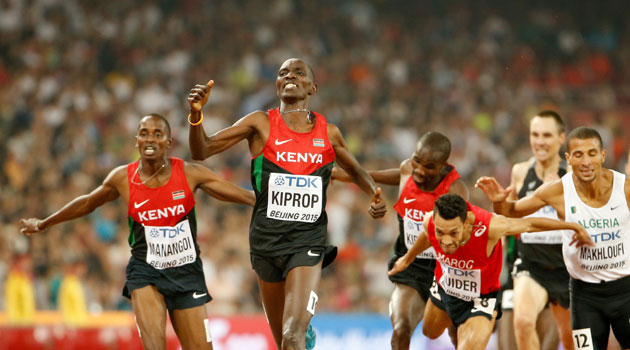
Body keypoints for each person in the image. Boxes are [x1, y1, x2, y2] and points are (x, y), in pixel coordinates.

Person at [186, 58, 387, 350]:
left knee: (292, 335)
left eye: (298, 72)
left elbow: (356, 170)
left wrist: (373, 193)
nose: (289, 76)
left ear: (312, 87)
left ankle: (301, 331)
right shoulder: (259, 123)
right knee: (285, 341)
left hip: (307, 242)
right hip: (265, 242)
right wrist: (196, 115)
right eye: (283, 73)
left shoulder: (328, 133)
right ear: (277, 85)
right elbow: (201, 150)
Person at [19, 114, 256, 350]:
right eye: (144, 134)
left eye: (157, 134)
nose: (150, 139)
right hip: (146, 270)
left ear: (168, 142)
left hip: (186, 271)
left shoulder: (189, 173)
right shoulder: (123, 177)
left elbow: (245, 196)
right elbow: (88, 202)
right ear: (136, 141)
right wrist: (44, 223)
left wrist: (278, 205)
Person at [476, 126, 630, 350]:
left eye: (592, 153)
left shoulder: (624, 189)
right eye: (578, 155)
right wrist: (499, 201)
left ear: (603, 155)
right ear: (568, 158)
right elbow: (511, 212)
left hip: (624, 291)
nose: (586, 161)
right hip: (584, 295)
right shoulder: (557, 191)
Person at [388, 193, 592, 350]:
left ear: (466, 223)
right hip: (444, 289)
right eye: (441, 232)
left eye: (453, 233)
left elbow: (529, 224)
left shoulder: (490, 226)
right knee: (429, 332)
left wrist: (570, 226)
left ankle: (464, 323)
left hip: (479, 301)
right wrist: (408, 257)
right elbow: (427, 234)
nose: (446, 241)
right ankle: (453, 324)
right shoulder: (431, 221)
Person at [333, 131, 467, 349]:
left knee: (457, 335)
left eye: (430, 166)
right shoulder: (408, 170)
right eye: (417, 161)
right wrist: (348, 175)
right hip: (412, 269)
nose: (420, 170)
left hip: (446, 272)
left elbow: (457, 239)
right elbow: (396, 175)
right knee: (401, 329)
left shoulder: (455, 191)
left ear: (444, 166)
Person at [500, 110, 572, 350]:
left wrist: (556, 196)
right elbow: (509, 217)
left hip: (568, 269)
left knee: (571, 339)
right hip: (531, 265)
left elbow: (583, 220)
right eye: (535, 134)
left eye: (547, 135)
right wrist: (500, 203)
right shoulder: (520, 171)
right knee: (522, 322)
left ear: (561, 138)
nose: (539, 141)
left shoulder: (572, 175)